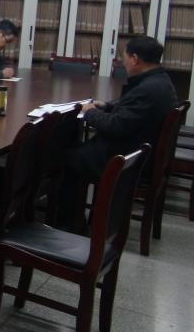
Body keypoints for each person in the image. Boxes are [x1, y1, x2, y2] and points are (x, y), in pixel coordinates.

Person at [56, 36, 179, 230]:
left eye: (125, 57)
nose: (123, 62)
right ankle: (72, 219)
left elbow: (115, 126)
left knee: (64, 159)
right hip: (139, 148)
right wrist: (107, 106)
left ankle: (66, 225)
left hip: (125, 157)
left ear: (135, 59)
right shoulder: (160, 81)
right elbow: (133, 112)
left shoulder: (147, 89)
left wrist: (90, 112)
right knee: (73, 151)